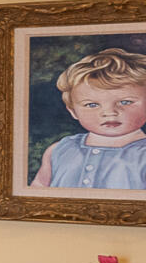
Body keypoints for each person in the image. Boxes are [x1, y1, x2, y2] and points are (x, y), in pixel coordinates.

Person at [31, 47, 146, 190]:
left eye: (125, 102)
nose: (109, 112)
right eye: (92, 105)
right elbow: (38, 189)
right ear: (73, 111)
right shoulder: (59, 150)